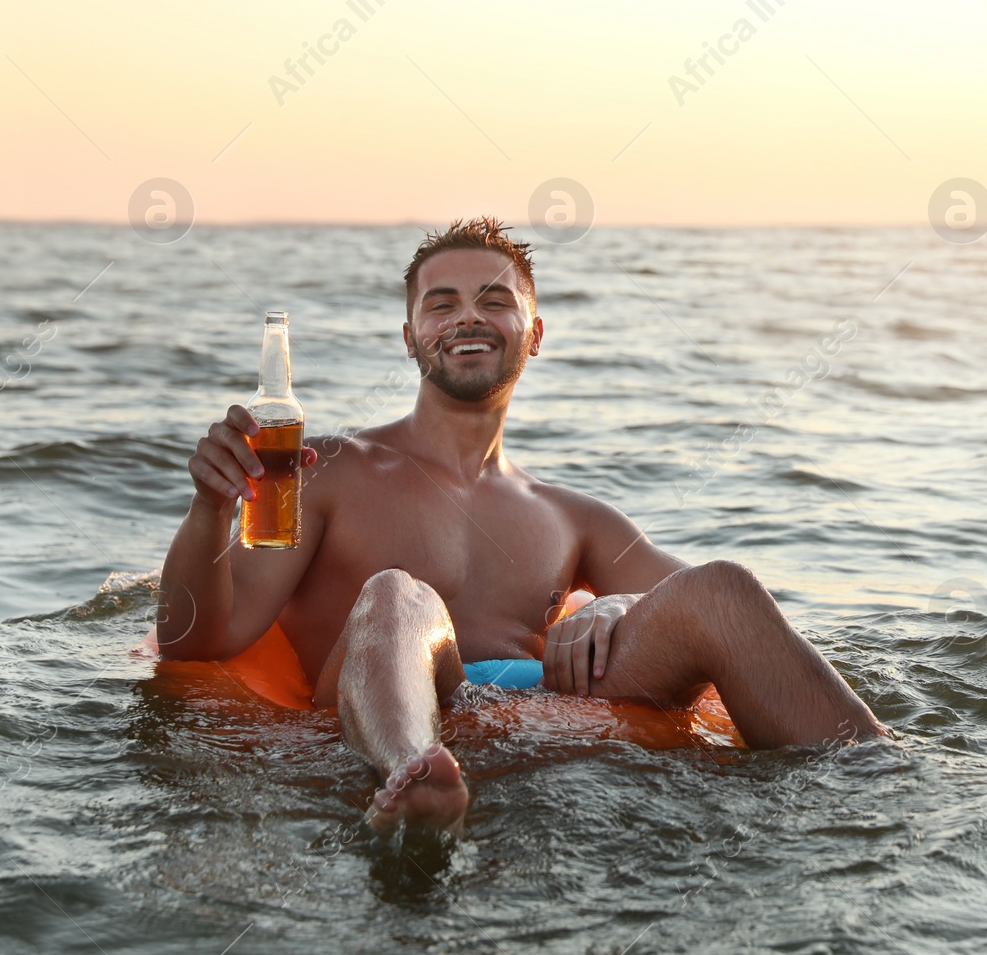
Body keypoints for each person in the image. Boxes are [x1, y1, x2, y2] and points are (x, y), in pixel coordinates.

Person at [158, 220, 888, 834]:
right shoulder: (328, 471)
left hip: (538, 718)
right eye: (440, 305)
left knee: (727, 587)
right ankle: (412, 779)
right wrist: (210, 507)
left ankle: (885, 781)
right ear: (410, 338)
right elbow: (197, 639)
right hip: (395, 705)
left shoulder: (571, 516)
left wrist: (614, 602)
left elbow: (700, 608)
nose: (466, 318)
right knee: (396, 595)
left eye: (493, 300)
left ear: (533, 333)